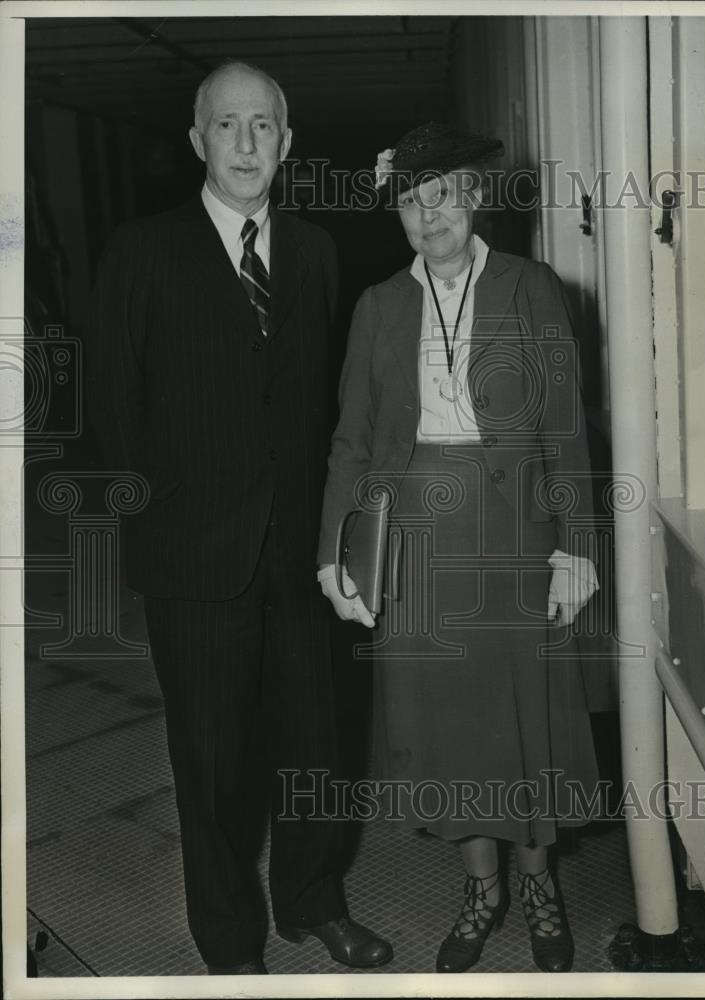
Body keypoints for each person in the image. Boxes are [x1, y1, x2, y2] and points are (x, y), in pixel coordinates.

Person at [84, 60, 392, 976]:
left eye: (264, 126)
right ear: (198, 142)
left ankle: (311, 901)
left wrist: (335, 541)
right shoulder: (141, 253)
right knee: (213, 767)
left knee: (316, 749)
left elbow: (319, 410)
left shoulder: (314, 253)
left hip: (302, 558)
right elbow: (113, 416)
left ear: (288, 144)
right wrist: (163, 531)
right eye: (228, 125)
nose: (248, 143)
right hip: (194, 563)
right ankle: (228, 941)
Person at [318, 122, 601, 974]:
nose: (426, 214)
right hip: (416, 541)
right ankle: (481, 893)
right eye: (409, 200)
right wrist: (336, 553)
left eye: (440, 194)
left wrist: (576, 547)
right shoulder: (378, 305)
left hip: (515, 532)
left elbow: (565, 429)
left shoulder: (531, 287)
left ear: (472, 199)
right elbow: (352, 442)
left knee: (526, 720)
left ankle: (540, 885)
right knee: (448, 730)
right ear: (397, 215)